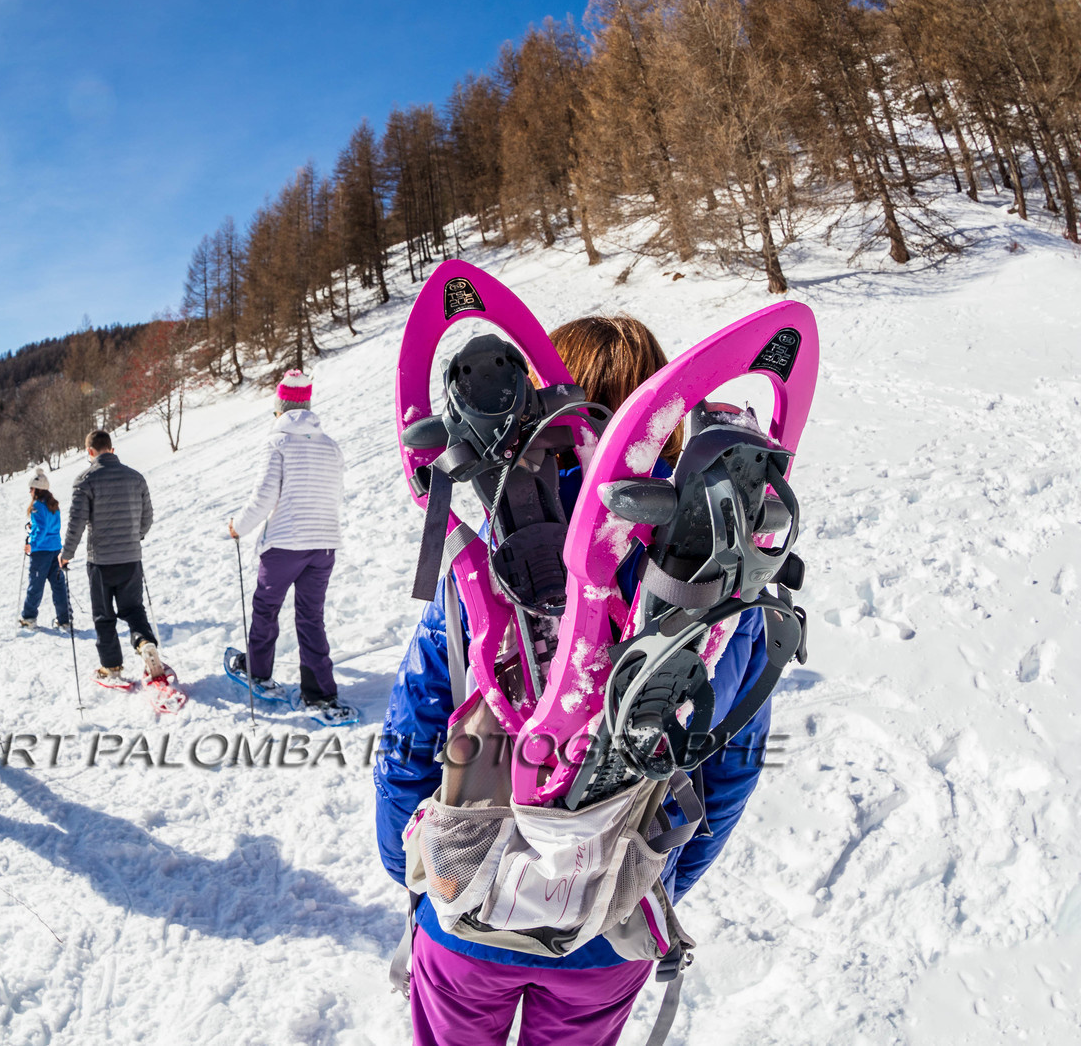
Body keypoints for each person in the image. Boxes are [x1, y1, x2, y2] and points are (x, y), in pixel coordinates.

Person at [374, 316, 770, 1046]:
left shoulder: (490, 559)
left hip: (469, 906)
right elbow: (730, 765)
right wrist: (656, 880)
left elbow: (412, 734)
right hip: (609, 927)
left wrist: (416, 872)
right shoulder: (717, 579)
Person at [227, 369, 349, 719]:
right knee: (311, 617)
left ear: (280, 407)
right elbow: (335, 495)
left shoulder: (277, 442)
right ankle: (320, 693)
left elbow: (264, 496)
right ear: (308, 405)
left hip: (284, 544)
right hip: (324, 544)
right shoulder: (330, 445)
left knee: (266, 608)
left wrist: (238, 526)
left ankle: (258, 671)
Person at [58, 430, 159, 682]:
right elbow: (147, 518)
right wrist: (134, 538)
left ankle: (112, 666)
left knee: (104, 616)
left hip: (101, 562)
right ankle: (145, 642)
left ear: (90, 452)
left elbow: (76, 523)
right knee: (134, 609)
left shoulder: (85, 480)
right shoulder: (136, 478)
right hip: (131, 558)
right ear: (112, 449)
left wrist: (66, 554)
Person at [19, 468, 73, 630]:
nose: (29, 492)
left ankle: (29, 618)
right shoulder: (53, 504)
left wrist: (32, 545)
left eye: (31, 489)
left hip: (41, 552)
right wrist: (32, 526)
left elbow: (42, 529)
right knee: (58, 585)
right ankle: (64, 619)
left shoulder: (37, 505)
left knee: (35, 585)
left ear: (37, 489)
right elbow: (49, 526)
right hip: (55, 549)